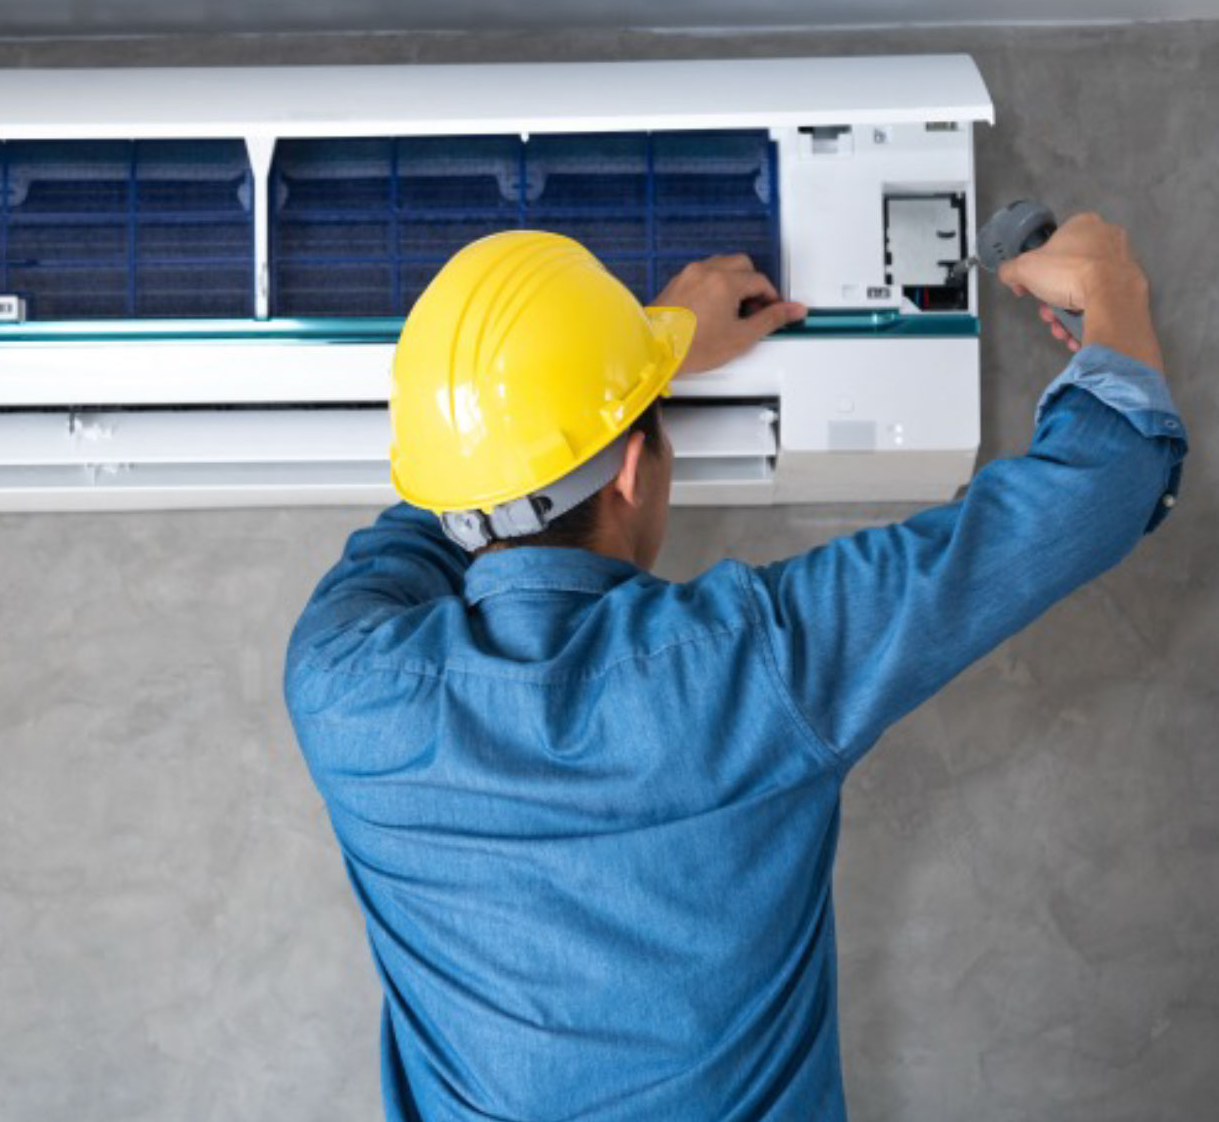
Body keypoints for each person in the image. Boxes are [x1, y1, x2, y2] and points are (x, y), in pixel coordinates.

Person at [283, 220, 1184, 1120]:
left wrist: (631, 368)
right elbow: (1103, 482)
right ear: (634, 470)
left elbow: (444, 510)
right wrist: (1111, 285)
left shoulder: (341, 689)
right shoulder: (759, 665)